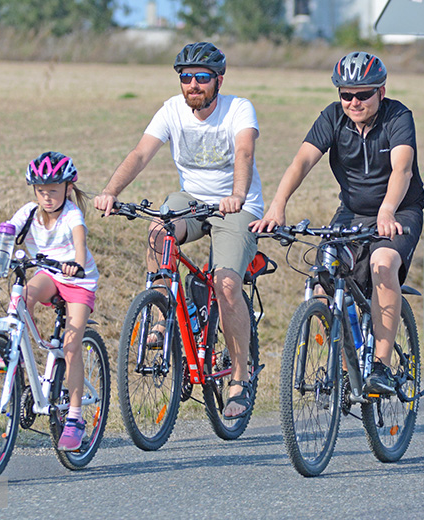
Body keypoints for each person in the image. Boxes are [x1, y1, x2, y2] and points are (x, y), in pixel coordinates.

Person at [94, 42, 263, 419]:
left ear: (218, 80)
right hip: (192, 200)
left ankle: (239, 377)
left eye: (202, 78)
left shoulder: (238, 108)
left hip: (236, 206)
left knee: (227, 284)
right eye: (186, 78)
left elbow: (244, 153)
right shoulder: (172, 110)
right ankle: (160, 316)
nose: (193, 85)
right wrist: (110, 192)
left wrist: (237, 195)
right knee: (158, 228)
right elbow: (140, 154)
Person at [251, 51, 424, 395]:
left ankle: (379, 365)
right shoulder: (333, 118)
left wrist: (388, 210)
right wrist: (277, 207)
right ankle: (348, 365)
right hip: (351, 212)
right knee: (324, 283)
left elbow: (402, 169)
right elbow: (301, 162)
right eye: (346, 94)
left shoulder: (398, 116)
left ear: (381, 90)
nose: (354, 102)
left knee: (382, 262)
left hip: (399, 211)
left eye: (363, 94)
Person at [0, 151, 99, 450]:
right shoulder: (28, 212)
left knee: (71, 345)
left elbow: (80, 245)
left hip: (78, 280)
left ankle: (75, 417)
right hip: (49, 275)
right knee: (23, 296)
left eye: (53, 190)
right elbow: (5, 237)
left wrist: (76, 263)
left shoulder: (72, 216)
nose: (47, 197)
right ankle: (19, 352)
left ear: (67, 188)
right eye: (41, 191)